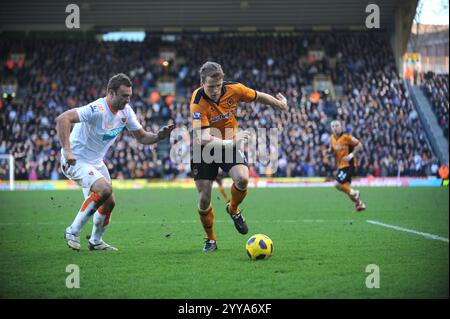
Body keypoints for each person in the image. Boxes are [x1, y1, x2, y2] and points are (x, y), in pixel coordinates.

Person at [56, 73, 174, 251]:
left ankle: (95, 241)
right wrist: (66, 149)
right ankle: (72, 231)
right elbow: (63, 118)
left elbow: (141, 137)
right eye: (124, 96)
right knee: (105, 189)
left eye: (129, 96)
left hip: (95, 162)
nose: (127, 100)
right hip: (75, 160)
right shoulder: (96, 108)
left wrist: (159, 136)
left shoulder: (126, 112)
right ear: (110, 93)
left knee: (110, 202)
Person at [190, 61, 288, 252]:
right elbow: (202, 138)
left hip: (228, 143)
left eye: (219, 85)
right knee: (204, 199)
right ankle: (211, 239)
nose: (216, 90)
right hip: (205, 149)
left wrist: (280, 105)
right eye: (211, 86)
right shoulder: (197, 101)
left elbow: (258, 96)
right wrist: (230, 142)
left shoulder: (234, 89)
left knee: (242, 178)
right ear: (202, 83)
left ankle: (233, 208)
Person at [328, 120, 366, 212]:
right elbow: (332, 150)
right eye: (333, 126)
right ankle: (359, 204)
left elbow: (360, 145)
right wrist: (328, 152)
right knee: (346, 187)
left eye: (337, 125)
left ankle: (356, 193)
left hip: (349, 165)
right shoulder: (332, 138)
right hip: (341, 166)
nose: (335, 128)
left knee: (337, 184)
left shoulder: (347, 136)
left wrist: (350, 156)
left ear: (341, 126)